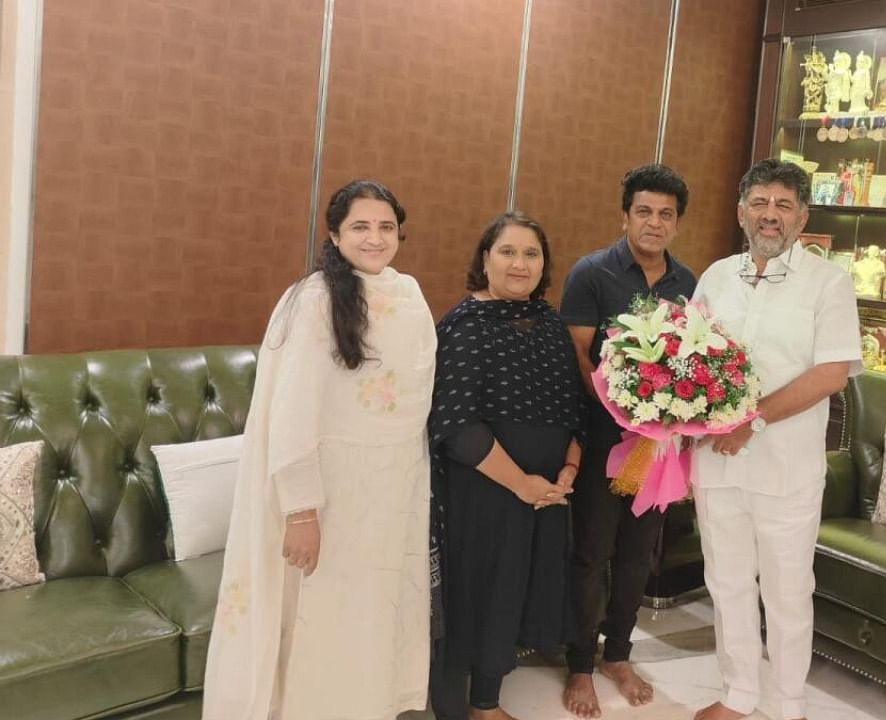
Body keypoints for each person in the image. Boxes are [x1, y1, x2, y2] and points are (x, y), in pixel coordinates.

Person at [203, 180, 435, 720]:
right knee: (321, 622)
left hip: (391, 492)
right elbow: (292, 413)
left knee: (370, 617)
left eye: (385, 226)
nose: (375, 238)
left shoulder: (410, 296)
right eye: (360, 226)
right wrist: (301, 510)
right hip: (331, 495)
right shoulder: (314, 300)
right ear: (334, 234)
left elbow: (414, 408)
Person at [690, 158, 861, 720]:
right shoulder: (715, 276)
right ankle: (738, 695)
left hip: (786, 469)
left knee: (787, 594)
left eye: (784, 205)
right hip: (715, 466)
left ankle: (788, 706)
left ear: (803, 216)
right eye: (760, 203)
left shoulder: (829, 282)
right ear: (741, 212)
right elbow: (687, 362)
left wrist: (752, 419)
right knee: (727, 583)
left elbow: (832, 373)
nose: (771, 215)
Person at [428, 212, 583, 720]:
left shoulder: (553, 324)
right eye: (507, 252)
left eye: (531, 254)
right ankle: (474, 706)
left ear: (544, 264)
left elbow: (574, 409)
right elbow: (455, 425)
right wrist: (521, 484)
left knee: (519, 589)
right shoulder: (464, 324)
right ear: (485, 259)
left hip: (545, 493)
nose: (520, 264)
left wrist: (568, 472)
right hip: (486, 489)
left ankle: (486, 700)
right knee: (483, 592)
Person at [560, 164, 697, 718]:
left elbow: (690, 360)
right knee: (591, 553)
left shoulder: (686, 283)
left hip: (655, 451)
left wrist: (666, 425)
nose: (654, 223)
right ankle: (578, 663)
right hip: (603, 440)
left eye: (666, 214)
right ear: (625, 215)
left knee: (640, 556)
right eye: (644, 211)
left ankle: (618, 653)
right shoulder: (592, 273)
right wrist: (624, 410)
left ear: (677, 223)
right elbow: (577, 357)